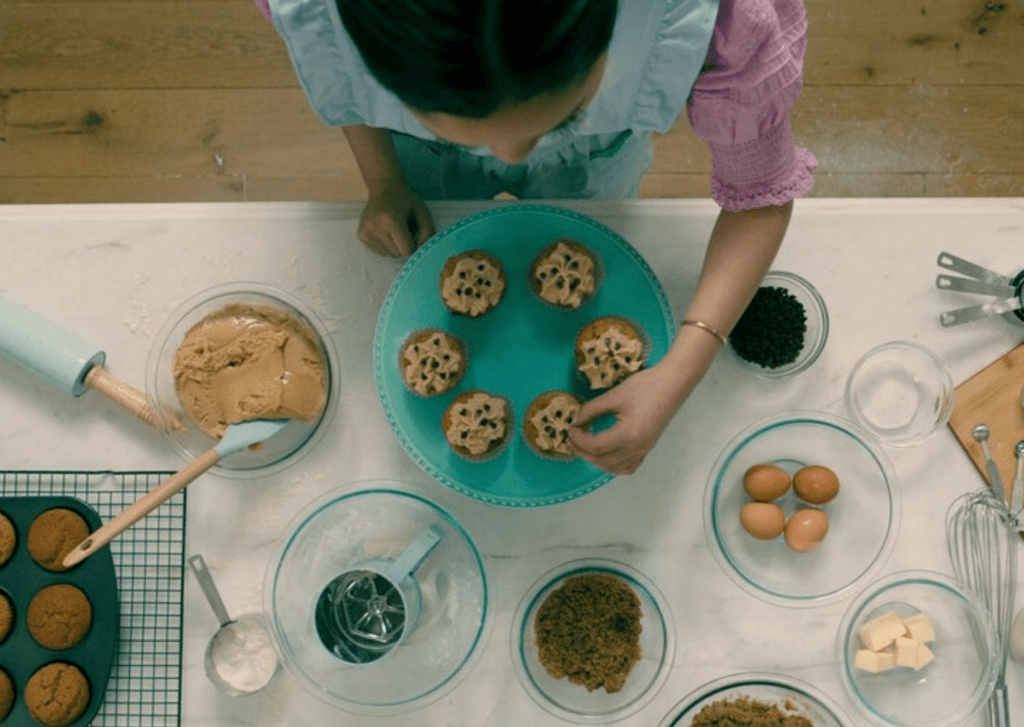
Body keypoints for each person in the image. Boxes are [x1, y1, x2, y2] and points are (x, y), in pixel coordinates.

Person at [256, 0, 816, 475]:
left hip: (596, 160)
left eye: (565, 115)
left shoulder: (731, 18)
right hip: (416, 159)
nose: (510, 160)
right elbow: (340, 71)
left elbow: (761, 194)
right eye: (436, 113)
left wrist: (679, 372)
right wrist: (384, 180)